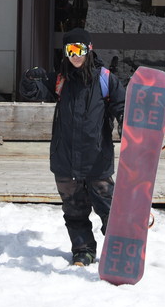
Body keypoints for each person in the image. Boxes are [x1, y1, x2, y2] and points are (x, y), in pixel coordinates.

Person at [19, 27, 126, 266]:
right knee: (74, 212)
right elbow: (33, 93)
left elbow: (122, 106)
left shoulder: (105, 79)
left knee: (109, 210)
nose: (75, 55)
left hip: (97, 159)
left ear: (90, 49)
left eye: (80, 49)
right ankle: (83, 251)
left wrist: (129, 127)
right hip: (65, 160)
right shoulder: (60, 78)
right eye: (70, 50)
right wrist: (28, 79)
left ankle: (118, 252)